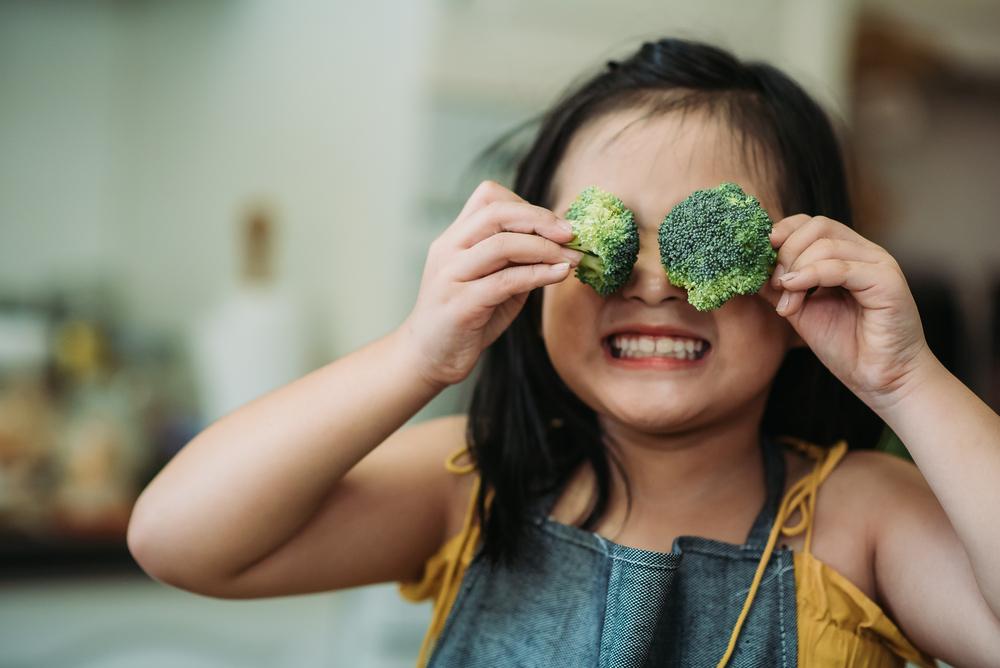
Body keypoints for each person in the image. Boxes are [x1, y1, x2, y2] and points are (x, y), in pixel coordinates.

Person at [126, 38, 1000, 667]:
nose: (653, 283)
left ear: (802, 281)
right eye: (604, 240)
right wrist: (415, 356)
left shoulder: (866, 516)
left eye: (706, 241)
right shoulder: (473, 483)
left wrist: (906, 380)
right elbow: (178, 540)